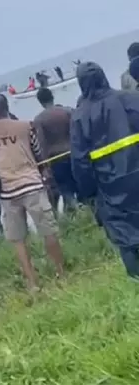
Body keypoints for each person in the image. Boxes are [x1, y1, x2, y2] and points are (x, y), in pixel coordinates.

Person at [0, 95, 65, 290]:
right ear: (7, 108)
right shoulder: (26, 126)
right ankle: (61, 274)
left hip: (7, 190)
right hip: (32, 184)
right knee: (48, 231)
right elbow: (38, 152)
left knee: (18, 239)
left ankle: (32, 283)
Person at [71, 61, 139, 279]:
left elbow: (80, 162)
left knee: (126, 239)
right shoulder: (130, 98)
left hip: (110, 187)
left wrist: (90, 193)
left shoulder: (80, 117)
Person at [33, 87, 77, 212]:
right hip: (73, 153)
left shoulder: (39, 120)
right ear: (52, 97)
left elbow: (41, 144)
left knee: (65, 189)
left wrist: (45, 166)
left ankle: (78, 212)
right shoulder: (67, 111)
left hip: (56, 160)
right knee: (79, 186)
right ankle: (85, 212)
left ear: (40, 101)